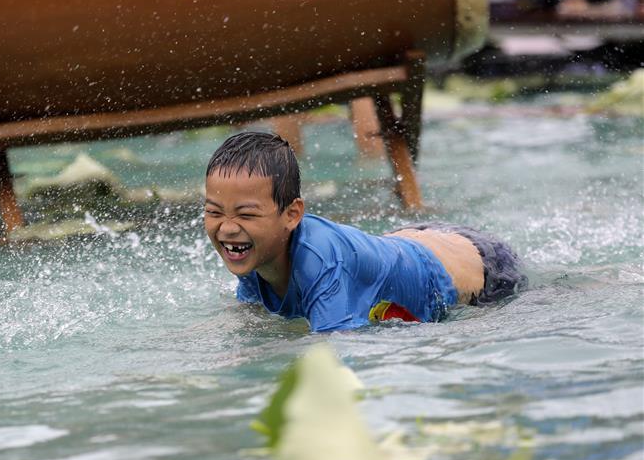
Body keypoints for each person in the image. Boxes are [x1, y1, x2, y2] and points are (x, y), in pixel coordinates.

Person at [203, 131, 526, 332]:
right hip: (410, 242)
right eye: (213, 212)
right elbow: (250, 317)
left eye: (245, 214)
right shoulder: (252, 248)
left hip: (484, 271)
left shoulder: (320, 262)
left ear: (292, 214)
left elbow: (334, 360)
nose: (228, 228)